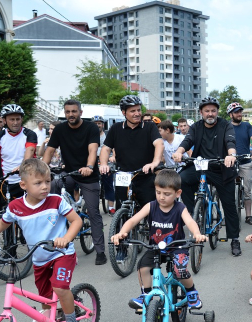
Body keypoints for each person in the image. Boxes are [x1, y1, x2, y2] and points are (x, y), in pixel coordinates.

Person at [0, 159, 85, 322]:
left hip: (62, 253)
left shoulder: (56, 201)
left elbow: (76, 221)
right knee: (45, 300)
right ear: (23, 185)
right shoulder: (15, 207)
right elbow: (2, 224)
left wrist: (67, 238)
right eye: (38, 183)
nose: (45, 187)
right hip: (38, 258)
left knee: (60, 287)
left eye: (47, 181)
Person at [110, 169, 208, 311]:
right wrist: (121, 233)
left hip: (177, 247)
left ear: (177, 193)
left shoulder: (180, 208)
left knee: (180, 270)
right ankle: (146, 294)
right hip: (155, 248)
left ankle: (192, 292)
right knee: (142, 267)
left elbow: (191, 222)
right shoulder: (151, 206)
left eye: (167, 194)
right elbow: (132, 221)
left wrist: (197, 234)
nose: (161, 197)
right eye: (158, 192)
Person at [173, 97, 243, 257]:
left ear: (217, 112)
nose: (210, 114)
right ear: (201, 113)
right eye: (207, 111)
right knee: (181, 179)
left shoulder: (225, 125)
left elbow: (230, 141)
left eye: (213, 110)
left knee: (229, 205)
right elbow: (187, 140)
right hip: (200, 167)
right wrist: (179, 151)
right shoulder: (196, 127)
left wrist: (231, 155)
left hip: (221, 168)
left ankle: (234, 239)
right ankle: (195, 213)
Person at [42, 100, 107, 266]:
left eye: (74, 111)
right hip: (69, 173)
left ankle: (100, 250)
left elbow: (93, 150)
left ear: (80, 112)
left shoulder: (91, 127)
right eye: (68, 112)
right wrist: (41, 170)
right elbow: (50, 150)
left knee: (93, 211)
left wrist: (90, 166)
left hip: (88, 174)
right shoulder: (60, 129)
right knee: (53, 198)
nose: (71, 114)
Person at [99, 95, 164, 212]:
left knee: (150, 211)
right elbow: (106, 148)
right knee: (122, 211)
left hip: (145, 175)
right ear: (124, 113)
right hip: (123, 176)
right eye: (132, 111)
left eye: (139, 110)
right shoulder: (116, 128)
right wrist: (104, 164)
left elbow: (159, 144)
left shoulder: (149, 127)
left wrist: (154, 163)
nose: (137, 113)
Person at [0, 104, 37, 202]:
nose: (15, 122)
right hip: (7, 181)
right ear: (4, 121)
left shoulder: (29, 134)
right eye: (12, 119)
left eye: (18, 119)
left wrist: (22, 166)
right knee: (6, 210)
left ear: (22, 119)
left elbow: (29, 151)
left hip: (27, 179)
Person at [227, 102, 252, 225]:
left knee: (247, 190)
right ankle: (230, 214)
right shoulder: (226, 126)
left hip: (245, 161)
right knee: (228, 189)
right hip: (231, 162)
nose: (239, 114)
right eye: (236, 112)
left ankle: (248, 215)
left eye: (240, 111)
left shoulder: (247, 126)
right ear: (230, 115)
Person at [92, 115, 116, 214]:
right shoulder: (89, 135)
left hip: (107, 161)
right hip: (93, 161)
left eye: (99, 123)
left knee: (109, 183)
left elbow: (114, 148)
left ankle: (111, 207)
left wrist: (113, 156)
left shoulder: (107, 135)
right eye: (95, 124)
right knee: (91, 185)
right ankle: (92, 207)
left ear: (103, 125)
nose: (97, 125)